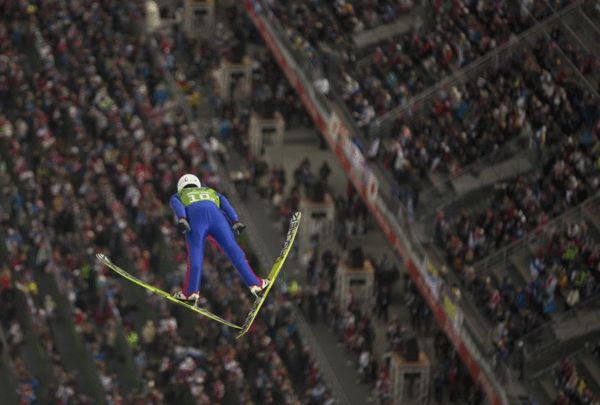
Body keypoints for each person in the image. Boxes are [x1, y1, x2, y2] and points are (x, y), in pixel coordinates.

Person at [169, 174, 268, 305]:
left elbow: (177, 205)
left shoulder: (178, 195)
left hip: (196, 220)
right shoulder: (210, 191)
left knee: (196, 256)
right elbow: (225, 203)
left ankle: (190, 293)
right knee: (234, 251)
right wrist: (235, 220)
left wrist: (182, 218)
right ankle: (256, 284)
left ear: (180, 187)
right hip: (217, 219)